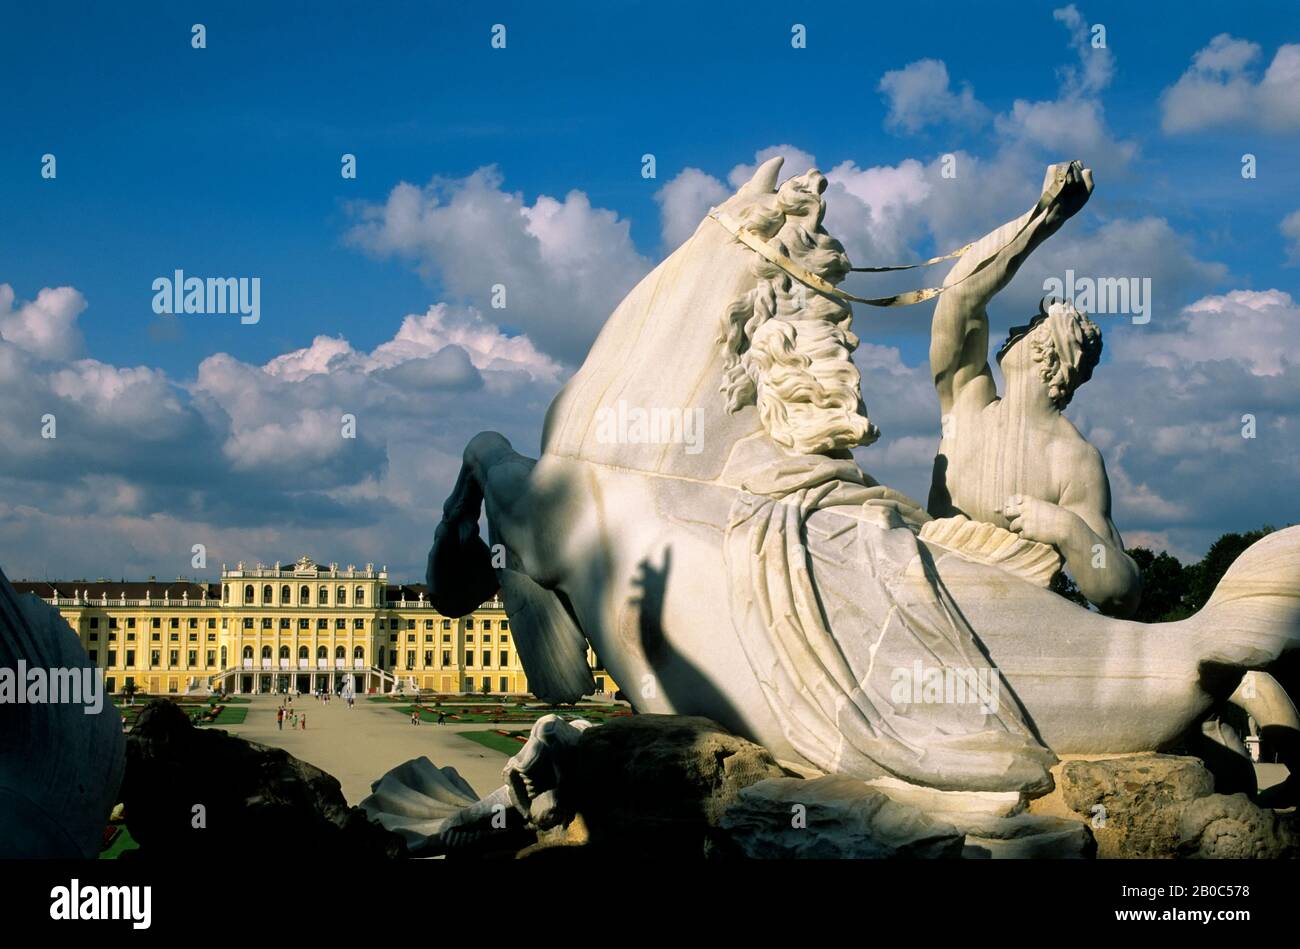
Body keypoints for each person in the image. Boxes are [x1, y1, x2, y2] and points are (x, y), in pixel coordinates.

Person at [927, 160, 1140, 617]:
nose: (1016, 328)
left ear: (1053, 353)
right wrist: (1041, 219)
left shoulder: (1073, 458)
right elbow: (959, 295)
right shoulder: (968, 401)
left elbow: (1121, 591)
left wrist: (1066, 529)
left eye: (1032, 325)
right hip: (926, 606)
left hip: (1007, 629)